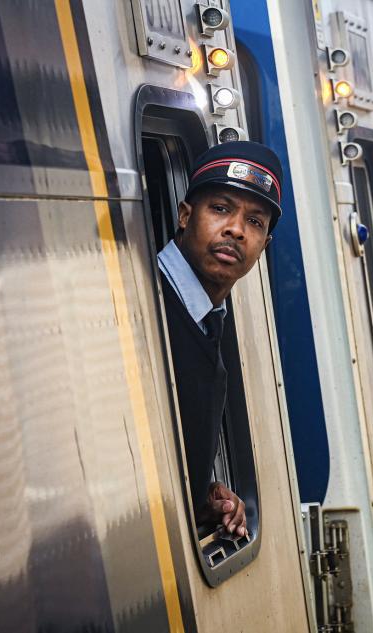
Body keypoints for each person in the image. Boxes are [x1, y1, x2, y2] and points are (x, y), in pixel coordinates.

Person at [157, 141, 284, 538]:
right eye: (221, 209)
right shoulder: (149, 303)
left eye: (255, 222)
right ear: (184, 215)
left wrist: (200, 499)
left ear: (264, 246)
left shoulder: (208, 321)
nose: (236, 230)